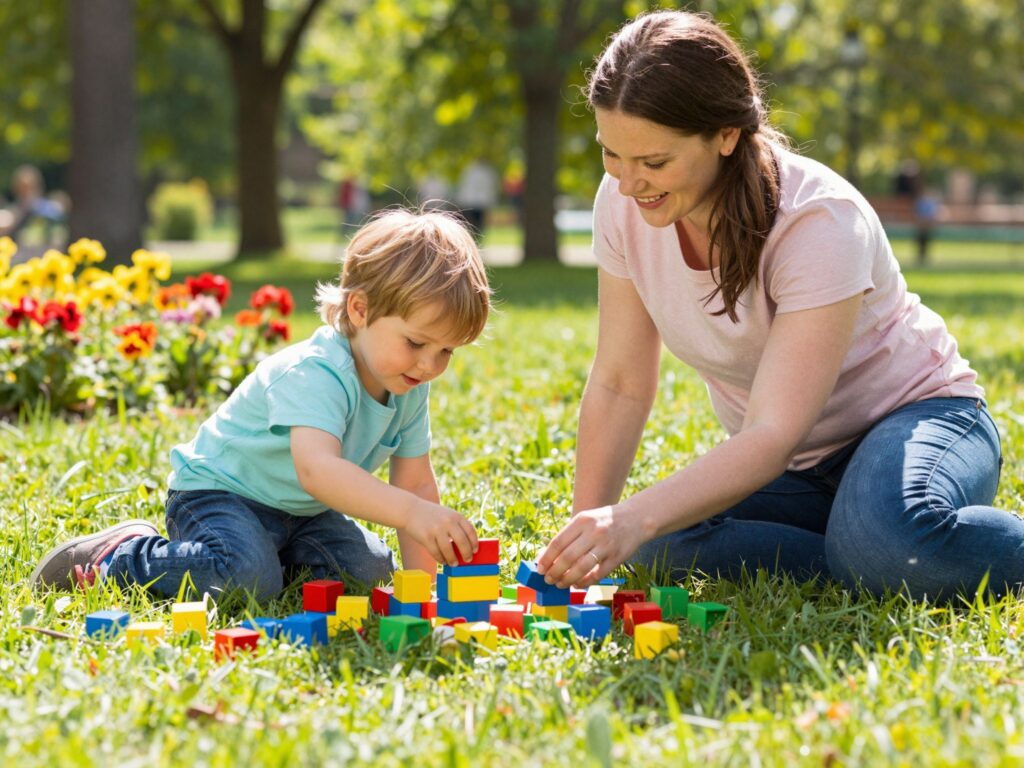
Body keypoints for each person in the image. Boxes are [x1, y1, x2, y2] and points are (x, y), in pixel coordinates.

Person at [536, 10, 1021, 602]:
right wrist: (589, 533)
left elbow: (771, 431)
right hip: (796, 471)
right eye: (611, 154)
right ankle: (861, 548)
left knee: (894, 549)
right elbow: (619, 382)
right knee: (648, 543)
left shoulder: (818, 220)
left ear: (725, 134)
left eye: (654, 162)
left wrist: (631, 516)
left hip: (918, 419)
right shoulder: (622, 206)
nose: (629, 182)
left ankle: (881, 543)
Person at [31, 209, 492, 601]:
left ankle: (269, 559)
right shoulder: (318, 373)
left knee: (368, 572)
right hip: (219, 495)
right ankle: (120, 556)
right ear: (359, 310)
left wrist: (421, 594)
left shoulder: (408, 381)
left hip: (302, 512)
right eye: (416, 342)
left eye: (446, 351)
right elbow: (319, 471)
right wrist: (411, 514)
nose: (431, 364)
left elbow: (414, 484)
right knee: (243, 577)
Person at [454, 160, 499, 240]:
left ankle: (475, 239)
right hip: (476, 202)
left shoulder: (470, 170)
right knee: (476, 225)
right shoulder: (484, 171)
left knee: (473, 225)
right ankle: (475, 239)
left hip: (473, 202)